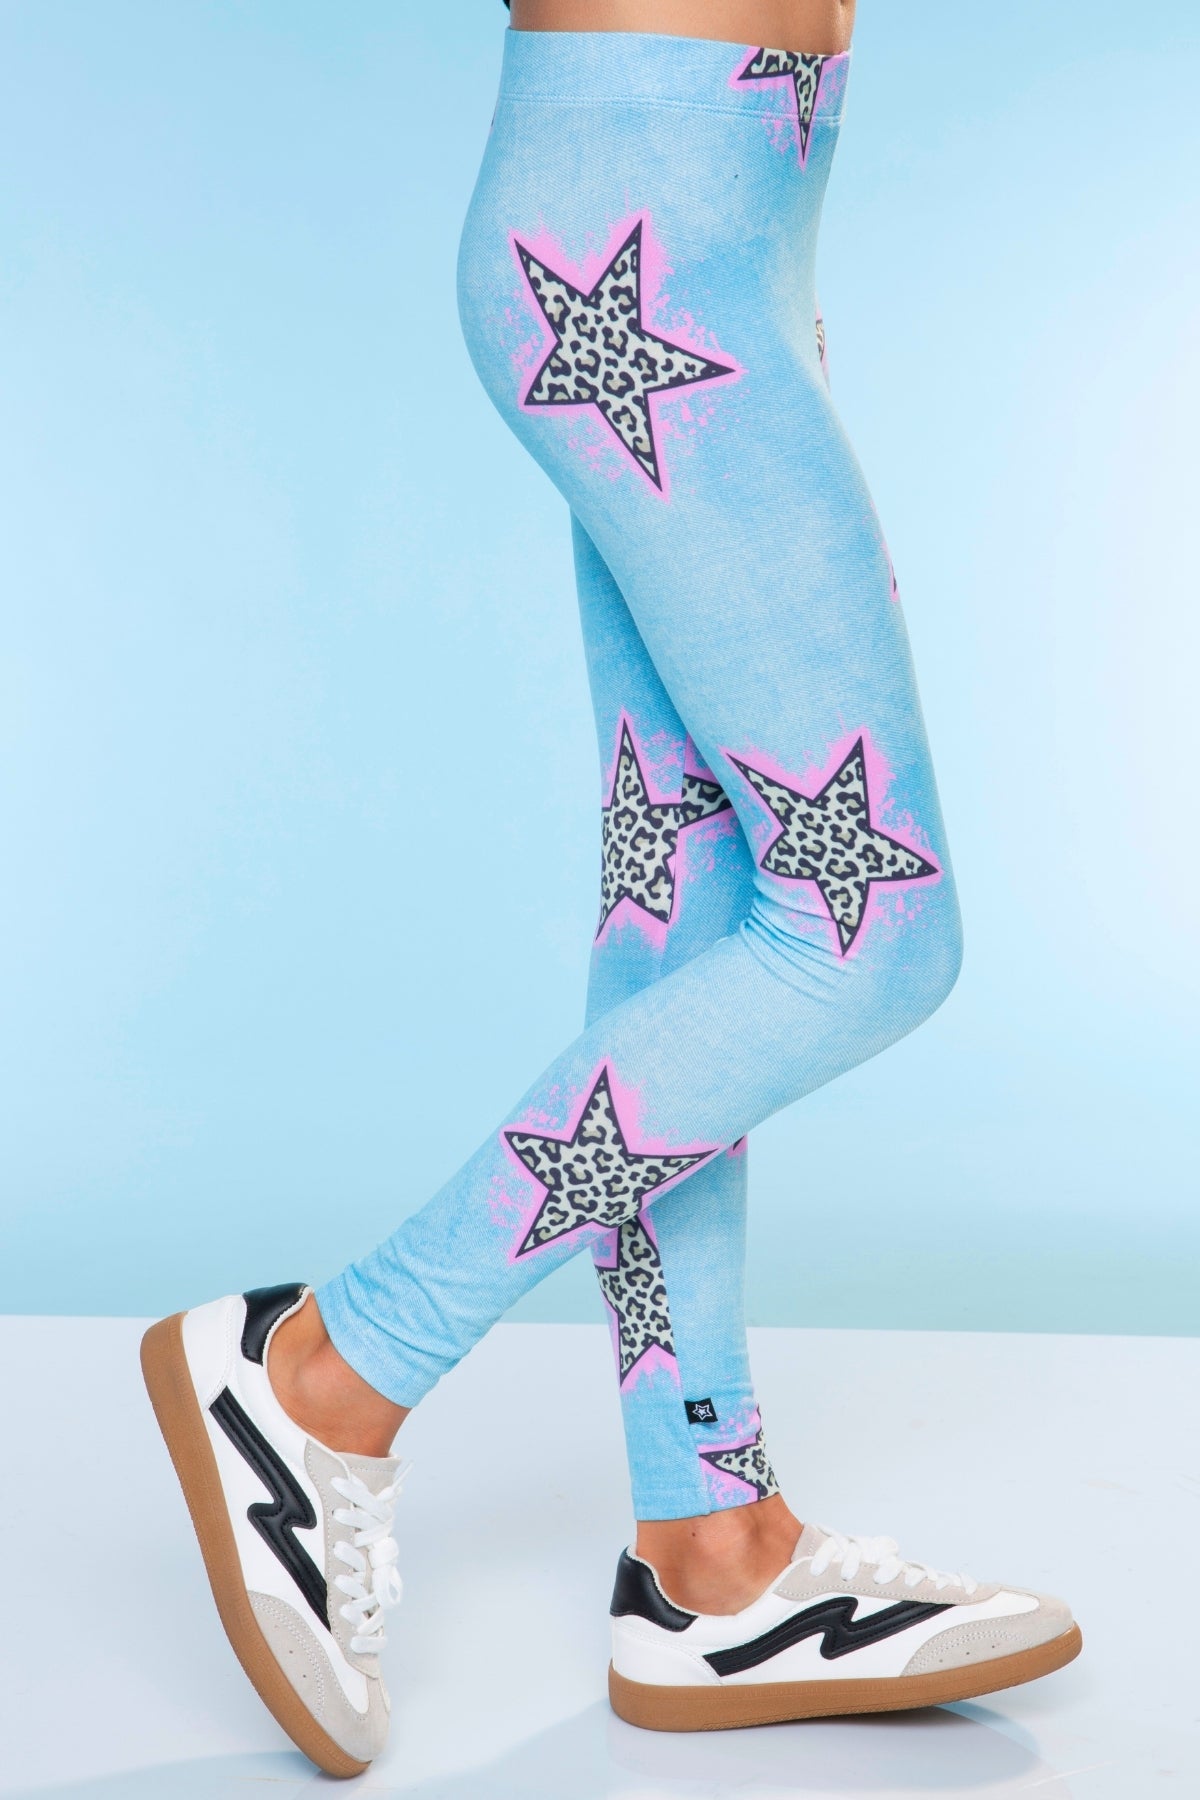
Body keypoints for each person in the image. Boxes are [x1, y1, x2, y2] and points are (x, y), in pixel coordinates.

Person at [140, 0, 1081, 1778]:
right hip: (645, 225)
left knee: (697, 915)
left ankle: (709, 1546)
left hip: (720, 215)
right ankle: (329, 1364)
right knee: (870, 930)